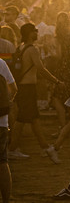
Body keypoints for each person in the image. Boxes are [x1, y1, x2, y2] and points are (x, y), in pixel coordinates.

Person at [8, 23, 61, 162]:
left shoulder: (21, 47)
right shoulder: (32, 49)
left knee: (34, 119)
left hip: (23, 87)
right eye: (35, 31)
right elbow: (41, 69)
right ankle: (12, 149)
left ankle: (45, 147)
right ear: (30, 33)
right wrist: (56, 81)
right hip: (28, 88)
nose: (37, 33)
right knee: (21, 119)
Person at [0, 57, 16, 203]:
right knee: (2, 162)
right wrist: (7, 104)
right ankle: (6, 200)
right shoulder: (1, 63)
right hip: (1, 121)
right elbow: (14, 88)